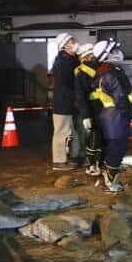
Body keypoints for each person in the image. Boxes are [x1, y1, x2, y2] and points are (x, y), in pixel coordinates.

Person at [91, 39, 132, 193]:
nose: (118, 52)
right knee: (116, 150)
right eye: (113, 50)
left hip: (110, 116)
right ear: (105, 55)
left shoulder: (105, 72)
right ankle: (111, 183)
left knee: (111, 149)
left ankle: (107, 178)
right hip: (116, 117)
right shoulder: (112, 73)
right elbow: (121, 98)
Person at [48, 33, 84, 171]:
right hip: (63, 102)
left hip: (68, 102)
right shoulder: (63, 62)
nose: (74, 43)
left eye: (74, 40)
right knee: (61, 133)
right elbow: (68, 84)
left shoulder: (70, 59)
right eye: (71, 41)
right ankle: (59, 162)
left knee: (72, 132)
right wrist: (76, 98)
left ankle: (75, 157)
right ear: (64, 46)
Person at [73, 42, 102, 176]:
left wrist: (85, 116)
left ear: (83, 57)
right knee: (103, 137)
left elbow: (81, 96)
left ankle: (93, 165)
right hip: (108, 108)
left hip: (93, 109)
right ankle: (103, 164)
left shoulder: (81, 72)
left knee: (94, 138)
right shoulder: (104, 67)